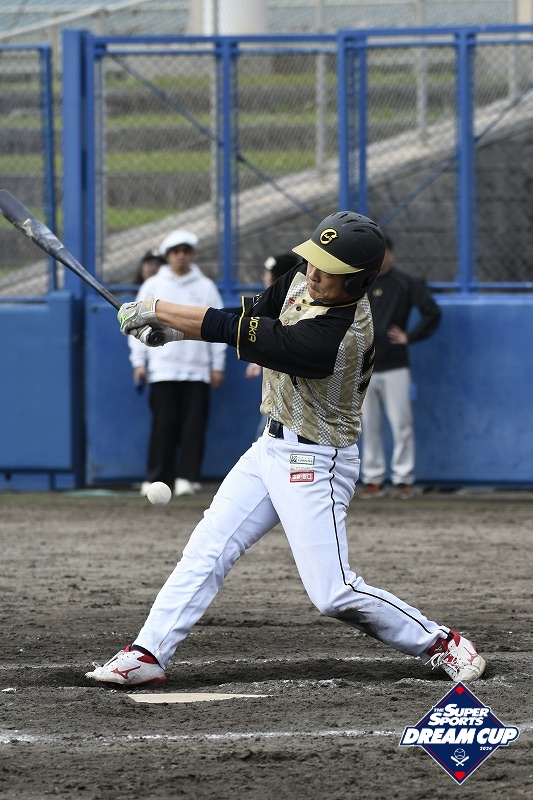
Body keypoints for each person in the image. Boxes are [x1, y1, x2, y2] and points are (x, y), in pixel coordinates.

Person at [86, 211, 485, 687]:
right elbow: (251, 316)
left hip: (316, 461)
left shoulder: (338, 336)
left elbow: (244, 333)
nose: (312, 273)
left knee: (332, 593)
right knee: (207, 549)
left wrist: (158, 309)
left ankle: (441, 642)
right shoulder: (303, 277)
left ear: (358, 280)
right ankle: (149, 653)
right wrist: (173, 331)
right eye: (313, 260)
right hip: (269, 449)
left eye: (328, 269)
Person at [130, 229, 226, 498]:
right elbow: (137, 325)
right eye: (176, 251)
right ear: (168, 255)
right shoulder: (152, 286)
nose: (181, 256)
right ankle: (156, 477)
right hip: (163, 370)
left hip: (197, 371)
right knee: (163, 427)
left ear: (191, 254)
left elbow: (219, 326)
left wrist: (217, 366)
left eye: (186, 251)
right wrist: (139, 363)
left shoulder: (205, 286)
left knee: (193, 427)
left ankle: (187, 478)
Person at [358, 235, 442, 499]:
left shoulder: (404, 282)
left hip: (396, 366)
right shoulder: (360, 282)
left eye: (384, 252)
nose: (381, 258)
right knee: (368, 425)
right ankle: (373, 479)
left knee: (401, 423)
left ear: (392, 254)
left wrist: (409, 336)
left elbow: (432, 312)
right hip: (365, 367)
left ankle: (403, 479)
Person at [245, 252, 302, 437]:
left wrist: (259, 359)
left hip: (291, 387)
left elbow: (279, 340)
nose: (265, 277)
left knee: (270, 429)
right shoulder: (272, 302)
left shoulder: (291, 305)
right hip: (276, 384)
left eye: (269, 274)